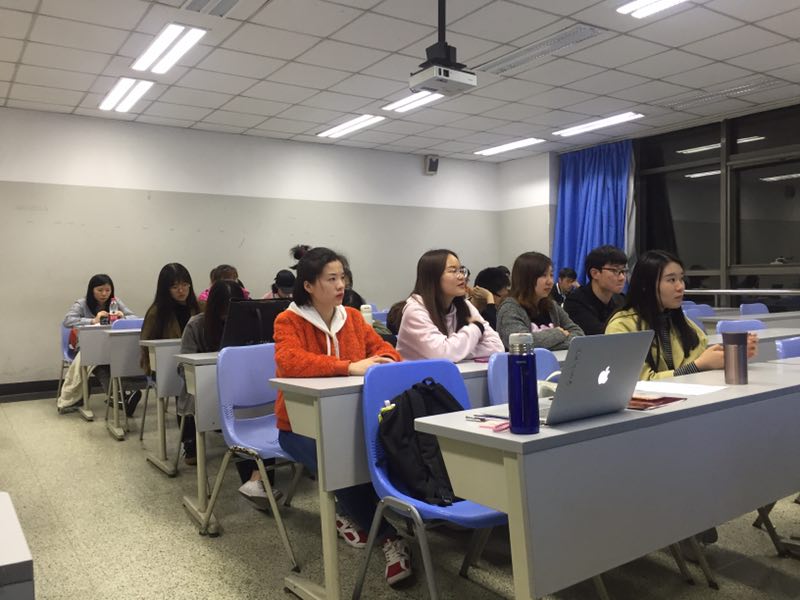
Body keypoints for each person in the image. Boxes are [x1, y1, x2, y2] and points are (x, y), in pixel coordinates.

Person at [272, 247, 412, 585]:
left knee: (378, 450)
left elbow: (386, 350)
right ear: (308, 285)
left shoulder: (351, 316)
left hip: (351, 421)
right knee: (339, 461)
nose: (340, 285)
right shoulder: (288, 320)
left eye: (342, 277)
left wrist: (380, 361)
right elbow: (290, 361)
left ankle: (350, 511)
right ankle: (389, 538)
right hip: (298, 426)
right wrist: (348, 366)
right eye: (331, 279)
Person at [606, 250, 758, 381]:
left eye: (681, 279)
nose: (680, 287)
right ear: (646, 285)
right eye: (671, 280)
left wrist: (733, 352)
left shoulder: (677, 319)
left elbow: (701, 354)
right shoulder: (622, 326)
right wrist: (698, 366)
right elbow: (639, 381)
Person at [396, 249, 503, 361]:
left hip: (453, 371)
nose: (461, 276)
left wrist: (459, 351)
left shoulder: (465, 305)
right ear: (433, 277)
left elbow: (496, 346)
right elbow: (442, 354)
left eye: (461, 270)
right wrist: (476, 328)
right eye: (453, 271)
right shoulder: (415, 311)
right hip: (417, 373)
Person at [179, 280, 244, 464]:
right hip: (205, 386)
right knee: (194, 399)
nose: (227, 314)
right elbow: (183, 367)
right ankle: (191, 442)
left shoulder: (247, 321)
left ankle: (244, 442)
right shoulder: (196, 325)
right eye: (223, 309)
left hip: (238, 384)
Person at [57, 274, 137, 413]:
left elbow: (134, 317)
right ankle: (118, 397)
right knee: (99, 362)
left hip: (109, 344)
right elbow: (67, 321)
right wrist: (93, 320)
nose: (104, 294)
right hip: (85, 345)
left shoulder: (115, 302)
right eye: (100, 290)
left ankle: (118, 397)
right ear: (92, 290)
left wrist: (123, 317)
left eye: (107, 290)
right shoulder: (81, 303)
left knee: (116, 359)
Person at [139, 263, 199, 418]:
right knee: (186, 384)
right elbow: (145, 345)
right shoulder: (156, 313)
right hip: (168, 367)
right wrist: (151, 370)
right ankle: (187, 423)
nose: (181, 291)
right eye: (175, 287)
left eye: (185, 285)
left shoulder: (199, 307)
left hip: (194, 365)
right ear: (165, 290)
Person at [496, 252, 584, 350]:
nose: (550, 281)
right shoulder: (509, 309)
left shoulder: (551, 305)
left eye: (551, 275)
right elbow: (521, 343)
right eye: (543, 275)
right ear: (526, 278)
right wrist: (559, 333)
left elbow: (578, 334)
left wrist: (548, 343)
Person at [564, 245, 628, 335]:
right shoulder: (575, 302)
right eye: (615, 270)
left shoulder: (621, 300)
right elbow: (600, 336)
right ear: (595, 273)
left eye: (623, 271)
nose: (622, 277)